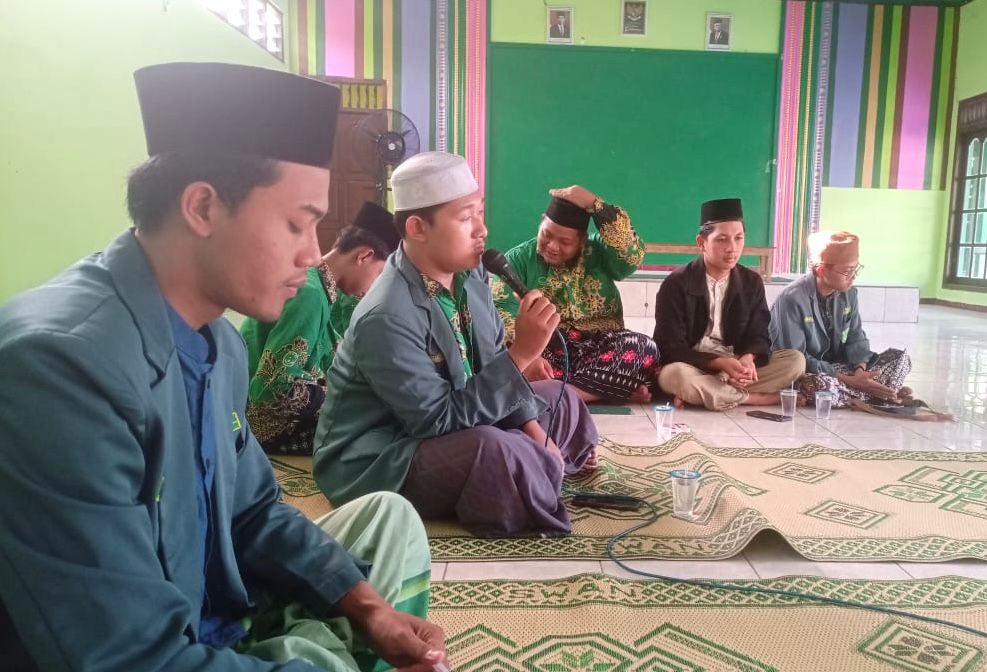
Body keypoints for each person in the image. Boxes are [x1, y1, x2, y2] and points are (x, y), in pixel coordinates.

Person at [0, 62, 448, 672]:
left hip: (215, 608)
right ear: (203, 207)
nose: (311, 253)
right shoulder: (60, 368)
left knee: (387, 523)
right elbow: (130, 657)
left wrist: (369, 609)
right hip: (148, 646)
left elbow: (253, 511)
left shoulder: (218, 343)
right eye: (297, 223)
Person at [312, 152, 598, 538]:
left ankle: (532, 466)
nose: (482, 229)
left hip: (456, 418)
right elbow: (436, 421)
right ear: (417, 228)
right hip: (385, 453)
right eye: (466, 218)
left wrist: (534, 433)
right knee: (492, 448)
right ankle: (527, 472)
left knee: (558, 399)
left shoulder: (471, 274)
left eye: (480, 213)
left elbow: (491, 360)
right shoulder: (385, 315)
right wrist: (522, 355)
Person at [241, 201, 398, 455]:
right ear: (364, 256)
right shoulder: (310, 293)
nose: (376, 289)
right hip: (257, 421)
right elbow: (273, 392)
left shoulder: (321, 287)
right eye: (380, 275)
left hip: (266, 413)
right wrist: (348, 399)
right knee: (383, 431)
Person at [491, 187, 658, 404]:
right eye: (546, 234)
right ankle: (607, 389)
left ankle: (559, 394)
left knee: (644, 348)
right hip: (547, 349)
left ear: (582, 240)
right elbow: (501, 309)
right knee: (502, 359)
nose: (552, 246)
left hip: (599, 346)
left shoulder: (599, 251)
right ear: (541, 223)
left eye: (565, 242)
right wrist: (529, 356)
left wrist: (595, 204)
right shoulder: (518, 259)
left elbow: (631, 256)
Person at [654, 198, 806, 410]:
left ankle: (707, 394)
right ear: (701, 242)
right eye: (722, 239)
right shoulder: (677, 283)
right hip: (693, 365)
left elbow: (759, 335)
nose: (732, 248)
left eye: (738, 238)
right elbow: (669, 347)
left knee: (795, 361)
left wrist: (748, 358)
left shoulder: (751, 282)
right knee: (673, 375)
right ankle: (753, 398)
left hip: (735, 365)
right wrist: (717, 363)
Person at [770, 230, 912, 408]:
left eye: (855, 269)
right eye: (847, 271)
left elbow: (856, 338)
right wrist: (849, 380)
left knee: (900, 359)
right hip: (809, 371)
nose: (853, 276)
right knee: (820, 386)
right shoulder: (792, 298)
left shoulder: (849, 294)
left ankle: (861, 391)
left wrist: (860, 371)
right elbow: (798, 357)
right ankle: (873, 391)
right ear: (821, 270)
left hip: (840, 368)